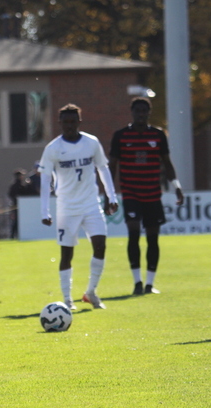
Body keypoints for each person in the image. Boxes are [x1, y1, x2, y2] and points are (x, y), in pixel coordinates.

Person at [39, 103, 118, 310]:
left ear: (79, 122)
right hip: (67, 208)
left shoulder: (91, 143)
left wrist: (111, 196)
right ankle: (67, 299)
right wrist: (44, 211)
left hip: (91, 204)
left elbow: (103, 168)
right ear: (60, 123)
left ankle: (91, 292)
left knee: (100, 245)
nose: (69, 125)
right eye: (65, 122)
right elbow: (45, 180)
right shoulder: (53, 149)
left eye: (73, 121)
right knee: (67, 254)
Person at [109, 97, 184, 296]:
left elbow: (167, 163)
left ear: (148, 113)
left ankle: (150, 284)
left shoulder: (158, 135)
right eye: (137, 111)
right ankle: (137, 282)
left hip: (152, 195)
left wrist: (176, 186)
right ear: (132, 112)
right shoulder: (120, 136)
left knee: (153, 239)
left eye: (144, 111)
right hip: (131, 194)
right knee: (133, 234)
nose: (141, 114)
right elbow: (113, 166)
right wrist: (109, 193)